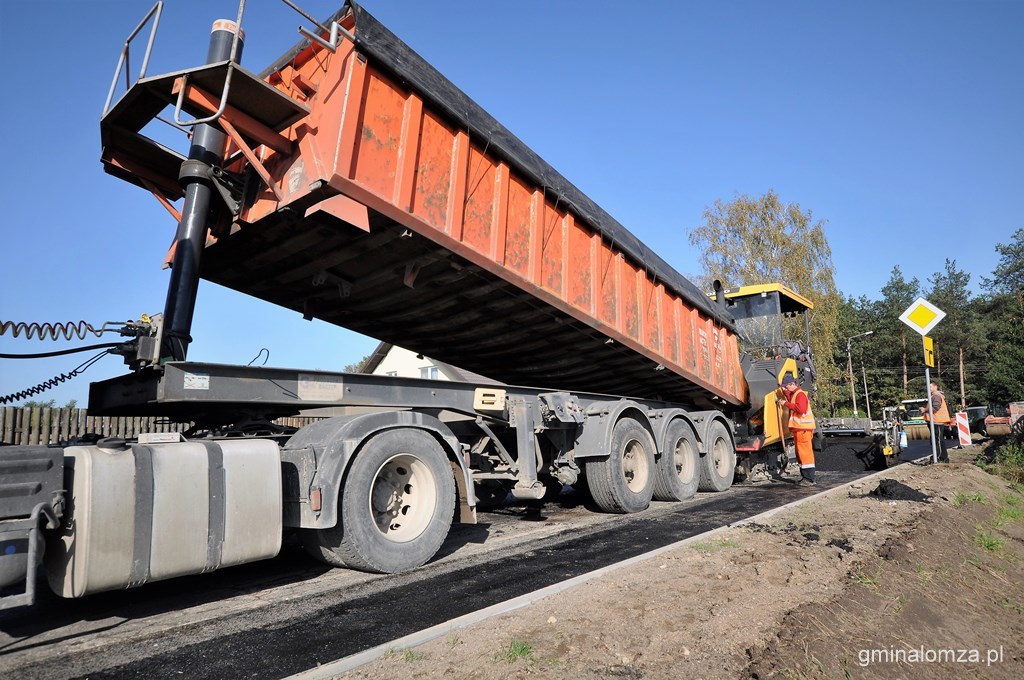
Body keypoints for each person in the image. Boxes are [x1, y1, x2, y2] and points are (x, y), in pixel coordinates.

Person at [778, 375, 816, 485]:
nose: (786, 388)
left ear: (792, 384)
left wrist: (785, 403)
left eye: (786, 386)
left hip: (803, 429)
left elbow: (800, 409)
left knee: (805, 454)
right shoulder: (796, 394)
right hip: (800, 429)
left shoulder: (800, 395)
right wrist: (785, 394)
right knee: (801, 453)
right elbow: (793, 402)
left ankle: (809, 479)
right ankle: (806, 477)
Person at [923, 381, 950, 463]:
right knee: (938, 440)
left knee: (936, 440)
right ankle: (944, 458)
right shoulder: (933, 396)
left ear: (935, 387)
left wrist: (925, 410)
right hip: (934, 421)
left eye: (930, 387)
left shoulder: (936, 396)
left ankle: (937, 457)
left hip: (937, 422)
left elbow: (935, 408)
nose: (929, 388)